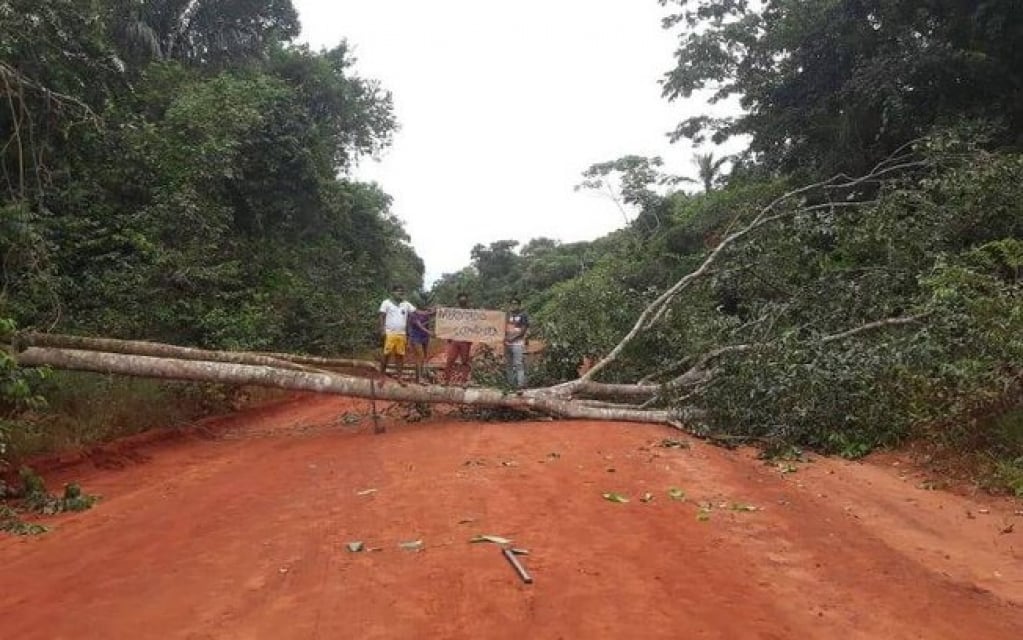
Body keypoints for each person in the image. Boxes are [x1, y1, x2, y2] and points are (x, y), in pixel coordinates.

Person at [378, 285, 416, 379]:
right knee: (386, 355)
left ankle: (399, 377)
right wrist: (382, 329)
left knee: (400, 356)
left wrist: (433, 312)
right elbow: (381, 316)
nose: (400, 293)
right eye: (398, 291)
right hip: (389, 333)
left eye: (402, 292)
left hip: (402, 334)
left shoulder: (406, 304)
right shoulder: (386, 303)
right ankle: (382, 375)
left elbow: (417, 312)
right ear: (393, 292)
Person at [444, 292, 473, 385]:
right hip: (454, 339)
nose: (463, 299)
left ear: (467, 300)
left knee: (464, 361)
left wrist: (472, 338)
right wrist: (448, 336)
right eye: (461, 298)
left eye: (464, 298)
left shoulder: (471, 312)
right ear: (458, 300)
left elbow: (475, 325)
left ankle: (464, 381)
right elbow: (448, 323)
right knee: (450, 360)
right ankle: (446, 380)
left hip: (465, 340)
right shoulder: (453, 312)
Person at [504, 297, 530, 388]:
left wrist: (512, 338)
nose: (513, 305)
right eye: (512, 304)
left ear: (519, 305)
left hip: (518, 343)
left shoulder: (523, 315)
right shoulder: (507, 315)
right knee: (508, 364)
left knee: (518, 364)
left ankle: (520, 385)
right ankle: (510, 385)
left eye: (515, 303)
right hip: (507, 343)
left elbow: (523, 330)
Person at [408, 304, 433, 383]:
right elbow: (419, 326)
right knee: (420, 357)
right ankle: (419, 378)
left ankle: (424, 374)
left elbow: (431, 316)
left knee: (425, 357)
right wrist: (429, 332)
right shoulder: (413, 314)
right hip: (416, 337)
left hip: (425, 337)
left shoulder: (427, 313)